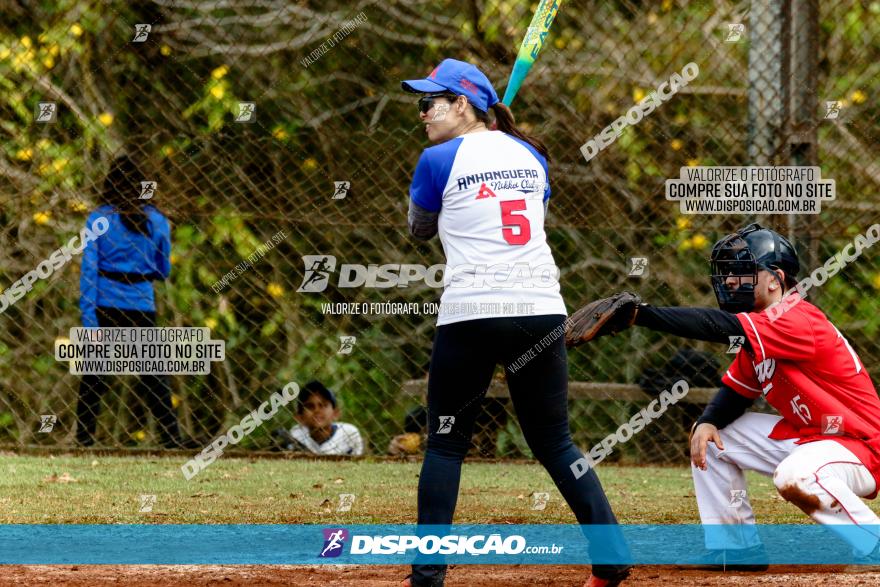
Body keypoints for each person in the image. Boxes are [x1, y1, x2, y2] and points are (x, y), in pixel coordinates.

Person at [400, 58, 631, 587]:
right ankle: (612, 556)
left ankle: (427, 575)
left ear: (463, 105)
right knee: (555, 442)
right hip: (540, 308)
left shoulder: (437, 159)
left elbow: (419, 230)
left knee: (445, 443)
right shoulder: (531, 154)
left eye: (430, 102)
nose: (422, 113)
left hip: (473, 313)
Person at [567, 223, 880, 568]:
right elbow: (735, 391)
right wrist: (708, 420)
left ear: (775, 279)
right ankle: (736, 548)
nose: (731, 281)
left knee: (796, 476)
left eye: (743, 272)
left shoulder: (794, 316)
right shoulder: (763, 328)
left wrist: (642, 315)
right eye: (729, 273)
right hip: (813, 439)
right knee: (712, 436)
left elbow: (719, 326)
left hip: (859, 447)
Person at [76, 154, 184, 448]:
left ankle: (84, 439)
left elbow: (88, 272)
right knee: (153, 377)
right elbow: (164, 270)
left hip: (105, 305)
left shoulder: (98, 219)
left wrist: (90, 321)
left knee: (95, 378)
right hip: (141, 304)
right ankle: (171, 438)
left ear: (109, 184)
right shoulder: (158, 221)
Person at [287, 380, 363, 456]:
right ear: (300, 417)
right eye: (310, 406)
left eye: (323, 405)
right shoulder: (297, 434)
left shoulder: (348, 433)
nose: (317, 410)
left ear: (336, 413)